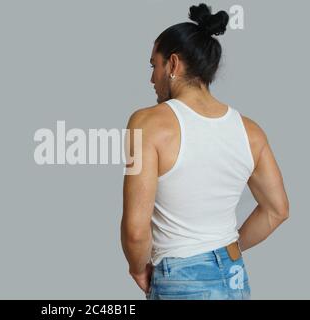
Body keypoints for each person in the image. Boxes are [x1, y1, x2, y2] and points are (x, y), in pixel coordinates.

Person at [120, 3, 290, 300]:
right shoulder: (251, 131)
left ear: (173, 64)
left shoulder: (146, 123)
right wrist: (225, 251)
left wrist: (137, 268)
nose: (152, 79)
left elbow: (136, 230)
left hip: (181, 278)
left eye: (154, 66)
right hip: (235, 275)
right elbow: (277, 210)